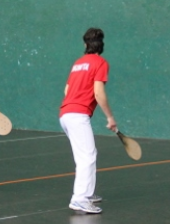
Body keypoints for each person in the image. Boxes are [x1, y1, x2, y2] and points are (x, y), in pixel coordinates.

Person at [60, 27, 118, 214]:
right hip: (78, 115)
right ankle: (80, 199)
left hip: (66, 113)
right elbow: (98, 92)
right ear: (101, 45)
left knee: (83, 156)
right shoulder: (100, 63)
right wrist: (110, 117)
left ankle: (86, 192)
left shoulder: (78, 63)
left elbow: (67, 91)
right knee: (88, 156)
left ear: (85, 44)